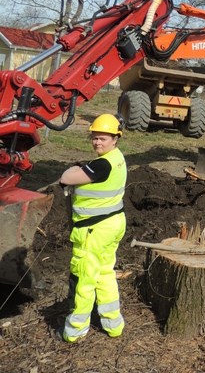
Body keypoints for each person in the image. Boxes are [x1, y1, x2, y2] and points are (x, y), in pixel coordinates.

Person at [59, 113, 127, 342]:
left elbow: (67, 177)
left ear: (115, 138)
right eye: (95, 138)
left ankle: (75, 330)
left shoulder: (102, 165)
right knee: (105, 273)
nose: (97, 142)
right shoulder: (118, 158)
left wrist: (72, 170)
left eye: (103, 139)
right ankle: (113, 324)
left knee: (84, 279)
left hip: (94, 230)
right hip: (113, 223)